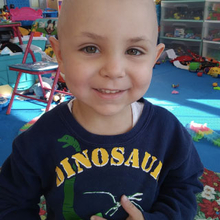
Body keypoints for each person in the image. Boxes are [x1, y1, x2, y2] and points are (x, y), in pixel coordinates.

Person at [0, 0, 204, 219]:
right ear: (60, 55)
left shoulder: (168, 132)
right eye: (90, 48)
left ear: (154, 58)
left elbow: (183, 188)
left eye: (134, 51)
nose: (114, 70)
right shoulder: (37, 140)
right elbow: (11, 203)